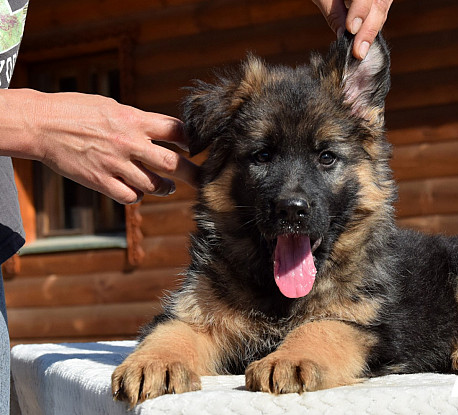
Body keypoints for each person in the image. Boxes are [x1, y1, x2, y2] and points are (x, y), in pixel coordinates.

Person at [0, 0, 391, 411]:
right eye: (261, 156)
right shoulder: (220, 283)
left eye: (326, 157)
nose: (292, 196)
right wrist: (167, 354)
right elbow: (193, 328)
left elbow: (363, 331)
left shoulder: (365, 278)